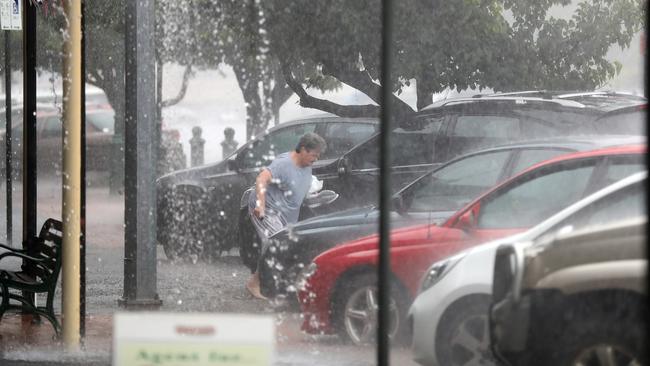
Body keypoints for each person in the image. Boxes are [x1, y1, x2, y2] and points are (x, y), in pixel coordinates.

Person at [246, 132, 327, 299]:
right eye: (314, 155)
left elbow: (297, 190)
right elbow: (261, 179)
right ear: (303, 149)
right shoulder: (284, 164)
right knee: (276, 242)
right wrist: (260, 205)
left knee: (288, 246)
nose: (316, 159)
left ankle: (278, 284)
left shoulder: (306, 165)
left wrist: (315, 197)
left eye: (318, 156)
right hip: (268, 209)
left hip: (286, 214)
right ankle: (254, 283)